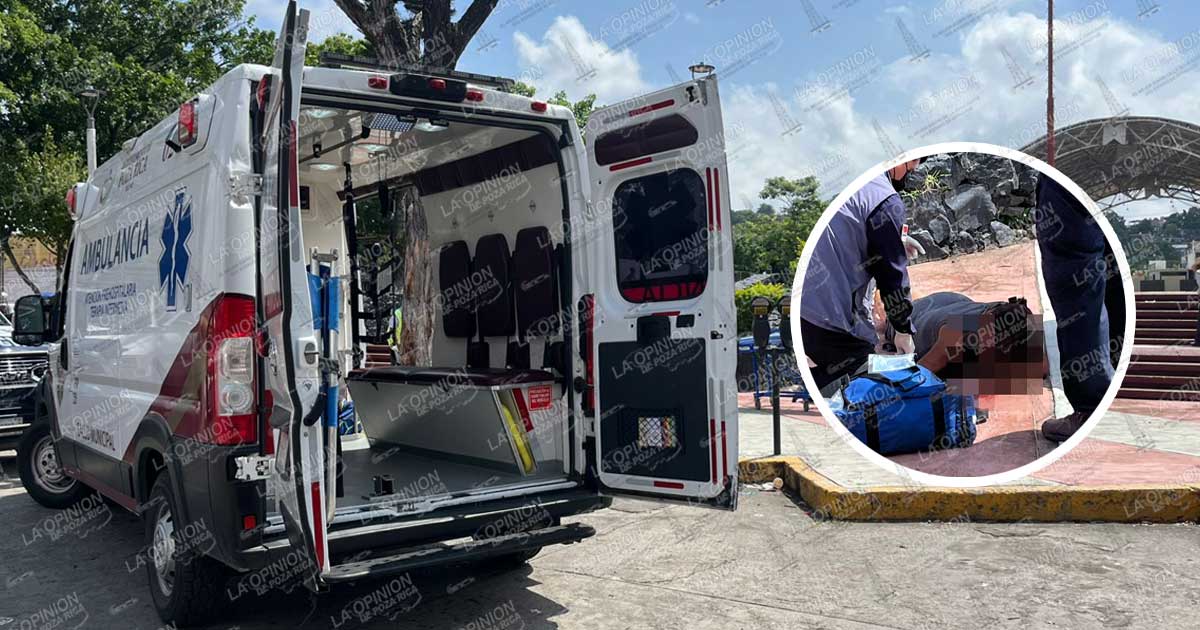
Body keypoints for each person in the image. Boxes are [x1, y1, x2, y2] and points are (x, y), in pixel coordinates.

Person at [800, 159, 923, 392]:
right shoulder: (886, 200)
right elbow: (892, 276)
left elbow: (853, 235)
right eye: (914, 161)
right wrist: (903, 330)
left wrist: (897, 243)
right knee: (865, 381)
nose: (915, 167)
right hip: (828, 313)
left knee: (835, 372)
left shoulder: (860, 187)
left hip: (808, 306)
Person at [1035, 174, 1123, 442]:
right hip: (1116, 156)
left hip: (1071, 165)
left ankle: (1092, 407)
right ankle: (1110, 395)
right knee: (1111, 270)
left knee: (1075, 277)